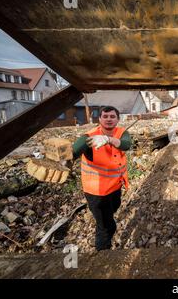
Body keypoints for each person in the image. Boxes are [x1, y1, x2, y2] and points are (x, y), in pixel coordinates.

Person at [72, 106, 132, 251]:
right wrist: (64, 159)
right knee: (106, 227)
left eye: (112, 116)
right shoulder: (88, 137)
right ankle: (103, 254)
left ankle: (105, 223)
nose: (109, 119)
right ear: (99, 119)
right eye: (105, 116)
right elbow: (74, 151)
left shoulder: (121, 133)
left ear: (118, 119)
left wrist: (108, 139)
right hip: (97, 193)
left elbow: (126, 144)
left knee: (113, 209)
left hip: (115, 186)